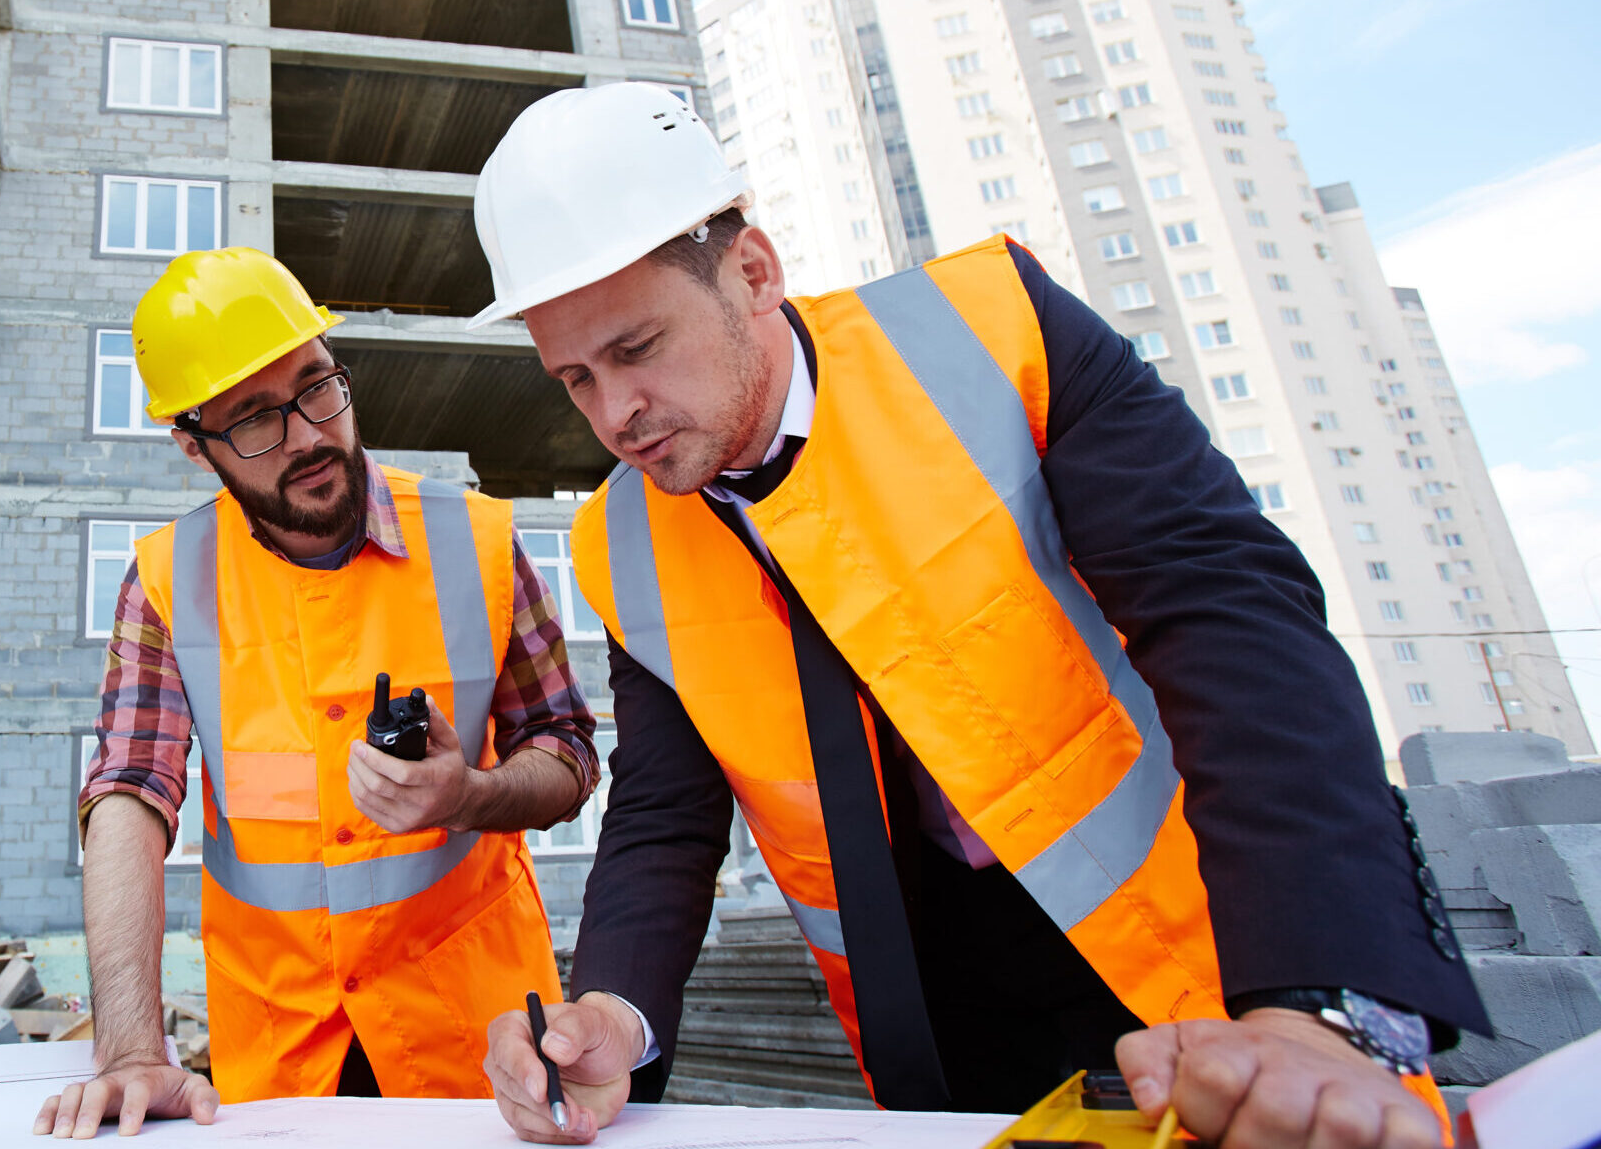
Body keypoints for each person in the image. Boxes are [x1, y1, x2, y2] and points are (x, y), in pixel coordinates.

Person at [466, 84, 1487, 1149]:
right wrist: (611, 1016)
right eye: (573, 376)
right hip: (939, 1024)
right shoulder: (617, 541)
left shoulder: (996, 331)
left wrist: (1316, 996)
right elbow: (665, 815)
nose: (611, 412)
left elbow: (1229, 619)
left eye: (635, 349)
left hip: (1211, 958)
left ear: (753, 274)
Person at [34, 247, 601, 1139]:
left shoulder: (479, 543)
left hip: (482, 1052)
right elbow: (129, 794)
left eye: (316, 387)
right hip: (283, 1062)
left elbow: (567, 750)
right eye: (255, 420)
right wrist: (131, 1048)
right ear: (193, 444)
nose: (308, 435)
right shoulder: (167, 581)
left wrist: (474, 794)